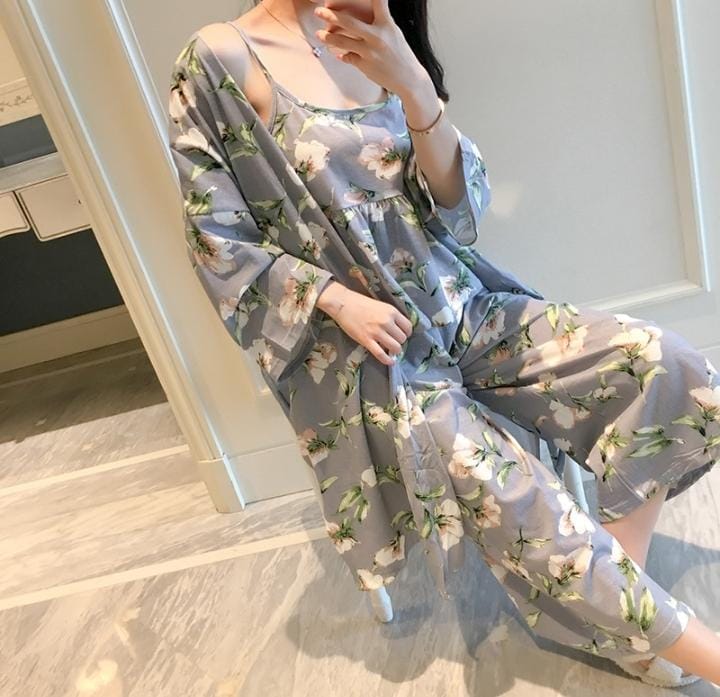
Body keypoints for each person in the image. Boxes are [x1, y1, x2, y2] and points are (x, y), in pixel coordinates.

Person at [167, 0, 720, 687]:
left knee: (664, 364)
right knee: (517, 500)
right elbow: (214, 239)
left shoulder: (381, 39)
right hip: (371, 358)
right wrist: (336, 300)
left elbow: (458, 212)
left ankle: (618, 612)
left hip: (463, 309)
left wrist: (415, 87)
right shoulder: (222, 58)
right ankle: (677, 641)